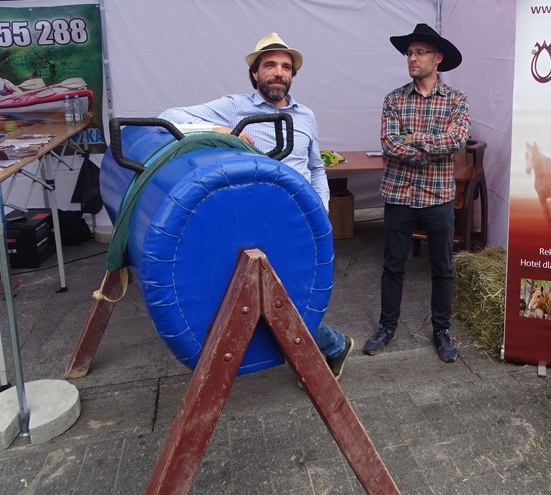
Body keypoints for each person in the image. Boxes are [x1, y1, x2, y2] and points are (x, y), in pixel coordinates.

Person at [159, 32, 354, 379]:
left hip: (301, 217)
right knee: (274, 291)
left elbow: (316, 167)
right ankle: (332, 346)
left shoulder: (306, 115)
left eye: (285, 67)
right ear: (255, 73)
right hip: (257, 217)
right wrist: (219, 130)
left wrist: (321, 206)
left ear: (292, 75)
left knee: (293, 289)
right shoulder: (235, 107)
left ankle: (324, 351)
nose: (278, 73)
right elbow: (169, 116)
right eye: (270, 65)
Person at [363, 23, 470, 363]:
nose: (412, 58)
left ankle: (442, 329)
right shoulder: (394, 99)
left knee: (443, 268)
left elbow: (457, 140)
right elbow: (390, 144)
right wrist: (431, 147)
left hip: (437, 197)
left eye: (420, 52)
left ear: (438, 58)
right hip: (399, 195)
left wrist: (414, 138)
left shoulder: (456, 100)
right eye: (409, 52)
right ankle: (387, 327)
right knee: (393, 265)